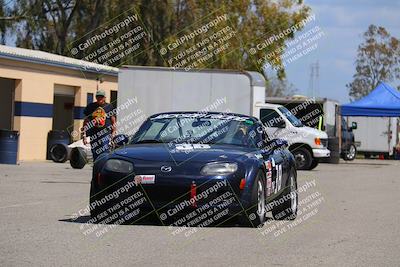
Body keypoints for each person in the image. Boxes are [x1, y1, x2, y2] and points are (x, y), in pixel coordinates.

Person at [82, 90, 116, 161]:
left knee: (104, 149)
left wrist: (113, 132)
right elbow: (86, 121)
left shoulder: (109, 106)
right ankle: (96, 165)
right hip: (93, 132)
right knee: (95, 151)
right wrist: (84, 135)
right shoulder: (91, 106)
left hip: (105, 132)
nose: (99, 98)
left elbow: (113, 120)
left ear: (104, 98)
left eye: (101, 97)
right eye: (98, 96)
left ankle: (103, 165)